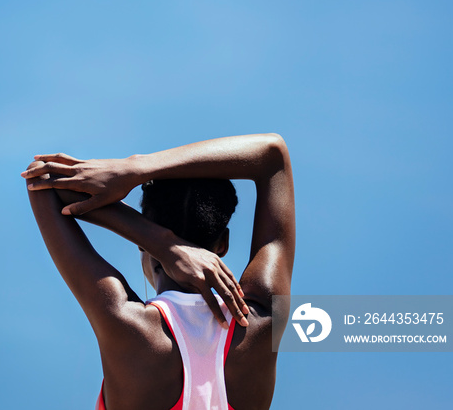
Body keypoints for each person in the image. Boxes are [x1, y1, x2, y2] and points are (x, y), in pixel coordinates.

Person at [22, 133, 295, 410]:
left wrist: (163, 243)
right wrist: (136, 169)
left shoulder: (127, 324)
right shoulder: (262, 320)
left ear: (142, 244)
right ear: (222, 243)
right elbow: (273, 155)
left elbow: (41, 180)